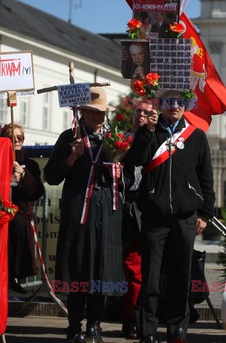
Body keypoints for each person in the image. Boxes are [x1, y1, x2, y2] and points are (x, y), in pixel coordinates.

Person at [123, 90, 215, 343]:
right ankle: (147, 330)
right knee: (150, 278)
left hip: (185, 217)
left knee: (180, 277)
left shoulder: (196, 136)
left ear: (185, 105)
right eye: (168, 101)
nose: (173, 106)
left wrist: (206, 213)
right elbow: (134, 160)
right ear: (160, 105)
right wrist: (146, 132)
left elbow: (206, 177)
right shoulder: (152, 132)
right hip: (154, 215)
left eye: (178, 102)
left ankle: (178, 328)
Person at [44, 87, 123, 343]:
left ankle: (95, 326)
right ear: (83, 112)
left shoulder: (115, 140)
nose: (98, 118)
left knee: (102, 269)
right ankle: (74, 325)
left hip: (107, 212)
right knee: (77, 268)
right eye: (93, 113)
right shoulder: (70, 137)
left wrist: (122, 174)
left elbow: (132, 179)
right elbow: (52, 176)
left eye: (101, 113)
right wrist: (72, 157)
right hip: (79, 210)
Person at [121, 100, 153, 339]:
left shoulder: (156, 140)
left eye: (147, 112)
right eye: (138, 111)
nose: (141, 114)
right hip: (120, 210)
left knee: (138, 272)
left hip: (145, 212)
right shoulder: (120, 138)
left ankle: (134, 320)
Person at [0, 123, 44, 294]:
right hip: (3, 208)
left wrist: (24, 175)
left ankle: (15, 275)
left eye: (20, 137)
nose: (17, 141)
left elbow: (36, 192)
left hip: (19, 210)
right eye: (13, 137)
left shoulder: (30, 164)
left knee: (18, 224)